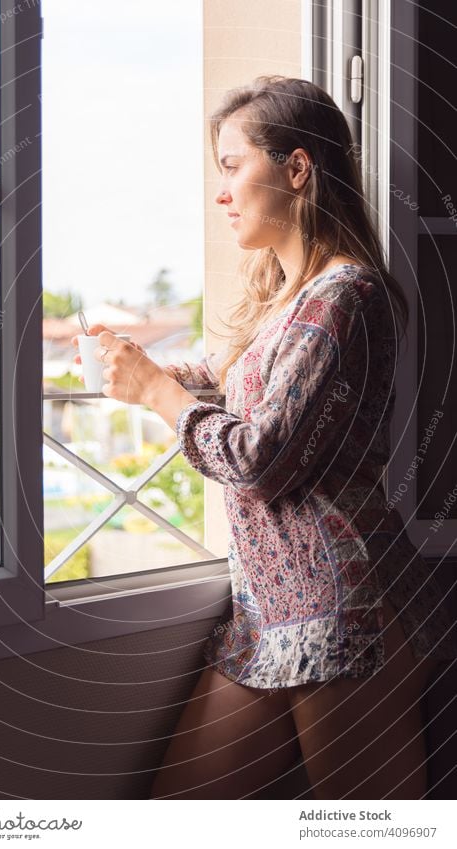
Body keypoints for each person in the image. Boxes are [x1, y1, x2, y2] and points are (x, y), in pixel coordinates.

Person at [73, 75, 457, 800]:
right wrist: (131, 366)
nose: (219, 192)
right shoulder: (287, 297)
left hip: (347, 614)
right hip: (267, 615)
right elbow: (229, 382)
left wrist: (156, 393)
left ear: (296, 168)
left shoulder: (345, 296)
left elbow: (259, 460)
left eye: (229, 165)